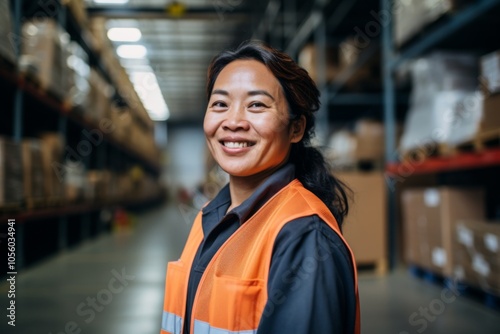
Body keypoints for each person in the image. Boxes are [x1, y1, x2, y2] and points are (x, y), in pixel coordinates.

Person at [161, 41, 360, 334]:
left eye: (256, 105)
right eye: (220, 104)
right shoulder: (209, 216)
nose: (233, 121)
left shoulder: (303, 238)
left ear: (296, 129)